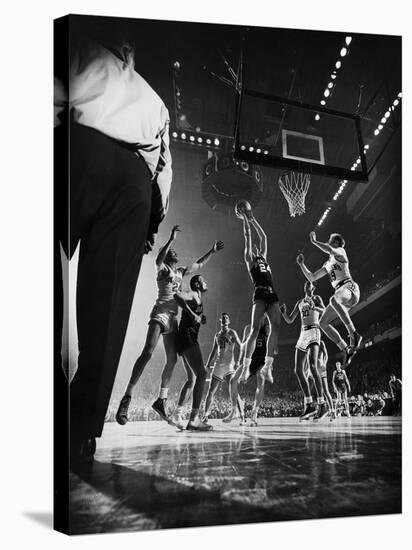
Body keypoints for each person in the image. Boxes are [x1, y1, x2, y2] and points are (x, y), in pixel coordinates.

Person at [54, 20, 173, 463]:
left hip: (74, 148)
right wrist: (150, 224)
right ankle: (81, 429)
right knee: (107, 315)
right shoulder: (156, 101)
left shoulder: (74, 47)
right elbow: (164, 173)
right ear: (129, 51)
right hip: (132, 183)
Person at [116, 227, 223, 425]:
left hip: (173, 319)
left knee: (172, 361)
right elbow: (158, 259)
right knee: (148, 352)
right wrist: (171, 239)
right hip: (161, 313)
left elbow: (198, 265)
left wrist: (212, 251)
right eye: (171, 253)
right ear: (167, 257)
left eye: (175, 251)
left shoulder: (181, 272)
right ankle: (127, 397)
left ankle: (161, 400)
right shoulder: (163, 269)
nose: (174, 253)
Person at [296, 232, 362, 366]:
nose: (327, 241)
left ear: (337, 242)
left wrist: (314, 241)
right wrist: (301, 264)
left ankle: (353, 334)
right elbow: (312, 277)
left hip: (349, 289)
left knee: (333, 299)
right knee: (322, 323)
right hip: (341, 296)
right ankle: (346, 349)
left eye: (330, 240)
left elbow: (329, 249)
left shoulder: (340, 252)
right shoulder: (328, 263)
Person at [238, 211, 281, 383]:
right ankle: (245, 369)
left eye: (258, 248)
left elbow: (264, 237)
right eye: (254, 248)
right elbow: (248, 237)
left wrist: (253, 219)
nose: (257, 248)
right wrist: (245, 221)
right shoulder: (250, 259)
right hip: (260, 292)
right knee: (255, 330)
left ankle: (268, 366)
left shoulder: (264, 258)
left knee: (276, 326)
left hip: (272, 292)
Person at [280, 282, 328, 421]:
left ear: (313, 288)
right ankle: (309, 404)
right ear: (304, 287)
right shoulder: (300, 302)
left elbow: (324, 311)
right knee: (298, 370)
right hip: (303, 333)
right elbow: (290, 320)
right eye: (307, 284)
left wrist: (314, 306)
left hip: (314, 330)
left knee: (313, 366)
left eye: (311, 284)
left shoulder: (317, 298)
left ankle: (322, 404)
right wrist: (283, 313)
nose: (309, 285)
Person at [172, 275, 212, 431]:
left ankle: (177, 413)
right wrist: (193, 314)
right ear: (197, 284)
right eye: (204, 279)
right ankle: (194, 419)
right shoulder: (194, 294)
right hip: (187, 337)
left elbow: (194, 316)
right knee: (202, 374)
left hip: (183, 338)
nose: (206, 281)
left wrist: (199, 318)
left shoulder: (198, 298)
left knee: (192, 378)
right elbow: (176, 296)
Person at [197, 313, 244, 425]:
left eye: (227, 317)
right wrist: (208, 365)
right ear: (220, 321)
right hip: (218, 365)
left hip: (228, 365)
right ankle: (206, 416)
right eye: (223, 318)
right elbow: (213, 351)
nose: (225, 319)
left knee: (233, 390)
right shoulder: (217, 335)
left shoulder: (232, 332)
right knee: (210, 391)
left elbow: (241, 346)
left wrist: (238, 361)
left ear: (229, 321)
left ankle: (242, 416)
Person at [318, 340, 336, 420]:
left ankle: (332, 411)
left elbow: (326, 354)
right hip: (314, 369)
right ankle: (322, 410)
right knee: (317, 391)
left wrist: (324, 363)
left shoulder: (321, 342)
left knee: (326, 391)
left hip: (321, 368)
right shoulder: (309, 342)